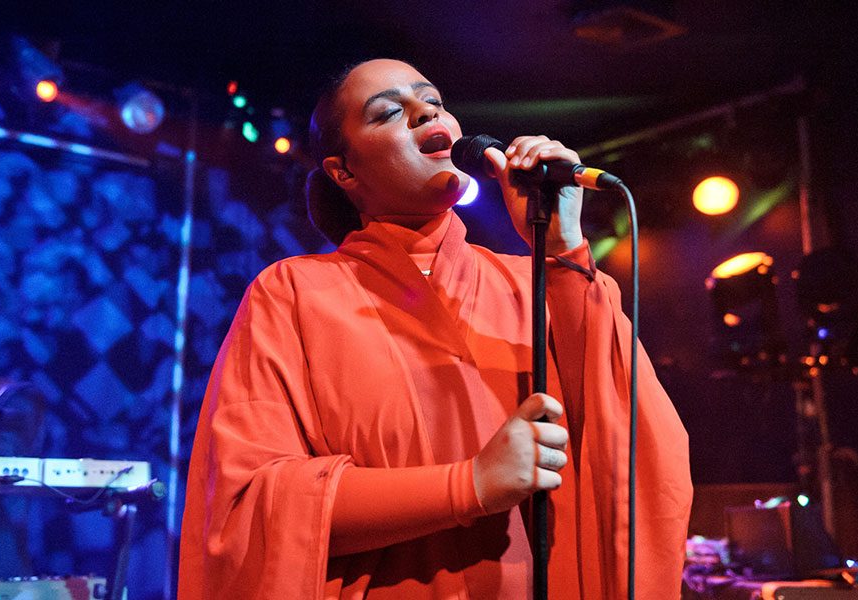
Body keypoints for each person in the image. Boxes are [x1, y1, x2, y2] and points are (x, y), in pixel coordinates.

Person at [178, 58, 692, 599]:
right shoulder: (294, 293)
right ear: (344, 172)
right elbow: (253, 503)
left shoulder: (541, 283)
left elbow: (630, 449)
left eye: (434, 101)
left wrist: (561, 246)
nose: (426, 111)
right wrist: (466, 485)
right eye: (388, 114)